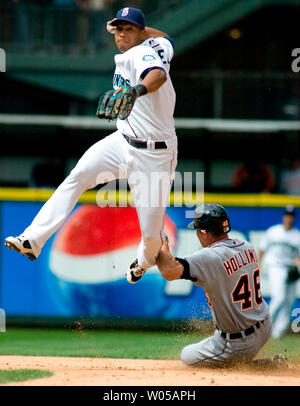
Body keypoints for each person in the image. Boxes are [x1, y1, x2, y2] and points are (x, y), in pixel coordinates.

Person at [5, 7, 177, 284]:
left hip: (154, 155)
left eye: (129, 29)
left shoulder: (141, 53)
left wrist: (137, 90)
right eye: (119, 29)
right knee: (77, 177)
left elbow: (157, 75)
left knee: (150, 237)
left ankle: (143, 262)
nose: (122, 34)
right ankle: (32, 239)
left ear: (141, 34)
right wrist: (138, 28)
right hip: (122, 141)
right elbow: (168, 38)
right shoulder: (158, 44)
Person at [156, 203, 284, 367]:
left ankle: (259, 366)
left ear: (204, 232)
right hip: (265, 325)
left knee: (186, 356)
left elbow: (169, 271)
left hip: (240, 342)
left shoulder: (210, 257)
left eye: (197, 229)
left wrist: (162, 245)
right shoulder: (247, 246)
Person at [258, 205, 300, 339]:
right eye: (287, 215)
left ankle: (276, 334)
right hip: (275, 266)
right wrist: (259, 265)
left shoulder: (296, 235)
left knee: (290, 302)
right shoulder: (274, 231)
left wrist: (297, 261)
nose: (289, 218)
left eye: (291, 216)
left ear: (293, 218)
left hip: (290, 269)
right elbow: (262, 248)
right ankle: (263, 327)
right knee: (279, 297)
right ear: (283, 217)